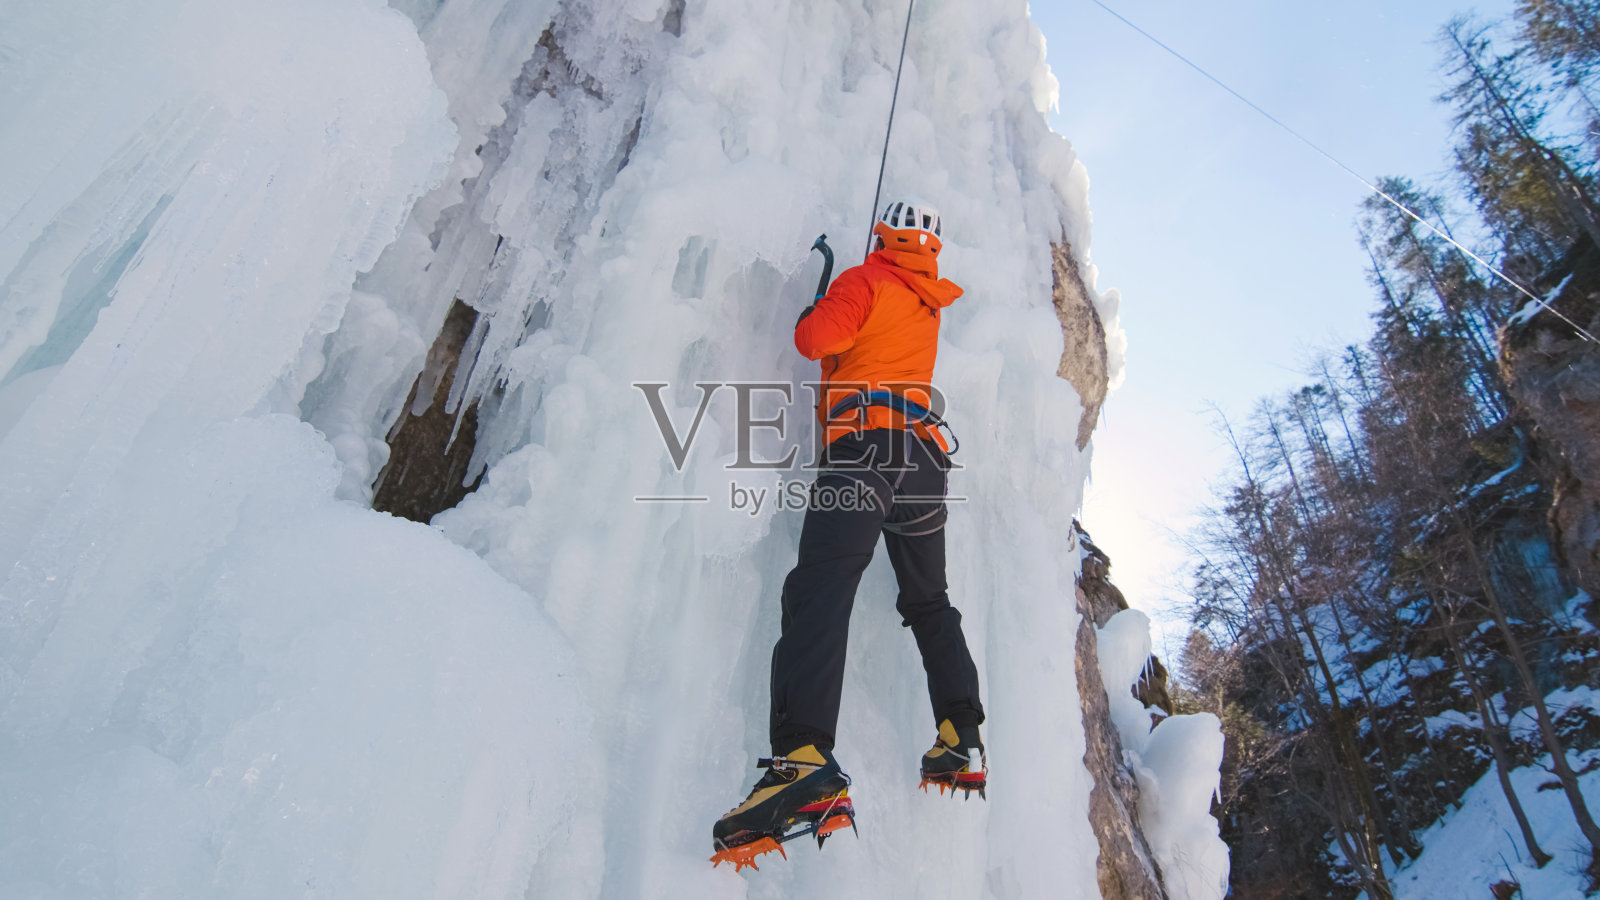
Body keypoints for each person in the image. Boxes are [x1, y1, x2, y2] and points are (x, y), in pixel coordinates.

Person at [711, 199, 987, 871]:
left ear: (886, 234)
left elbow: (816, 342)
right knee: (929, 602)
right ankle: (960, 736)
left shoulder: (867, 279)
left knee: (822, 585)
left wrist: (817, 307)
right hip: (922, 461)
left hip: (864, 447)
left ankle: (802, 759)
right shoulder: (929, 303)